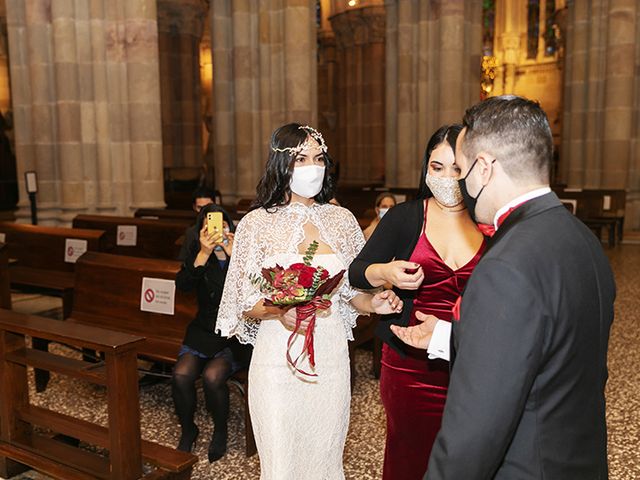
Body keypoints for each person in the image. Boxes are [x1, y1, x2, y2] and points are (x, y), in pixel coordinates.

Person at [392, 96, 615, 479]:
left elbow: (475, 433)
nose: (458, 182)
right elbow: (549, 345)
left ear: (483, 168)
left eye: (461, 168)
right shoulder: (580, 237)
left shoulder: (505, 264)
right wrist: (447, 335)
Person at [216, 123, 403, 480]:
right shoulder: (256, 223)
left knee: (325, 458)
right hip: (276, 357)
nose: (312, 167)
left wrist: (374, 305)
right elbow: (243, 301)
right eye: (301, 159)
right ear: (281, 165)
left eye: (318, 158)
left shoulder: (343, 220)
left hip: (329, 357)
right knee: (282, 463)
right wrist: (279, 310)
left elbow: (351, 294)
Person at [348, 125, 486, 479]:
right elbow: (357, 272)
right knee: (410, 456)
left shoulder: (487, 221)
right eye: (436, 167)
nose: (445, 177)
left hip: (472, 360)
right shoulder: (406, 217)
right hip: (411, 364)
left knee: (470, 459)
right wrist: (386, 271)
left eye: (455, 168)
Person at [172, 203, 250, 462]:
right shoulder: (198, 253)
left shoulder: (240, 253)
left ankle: (220, 431)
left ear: (230, 227)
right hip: (204, 329)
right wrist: (203, 254)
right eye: (210, 225)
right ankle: (188, 429)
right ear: (202, 230)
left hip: (235, 333)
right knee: (181, 374)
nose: (217, 230)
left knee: (213, 376)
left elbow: (251, 292)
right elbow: (183, 286)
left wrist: (234, 255)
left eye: (222, 224)